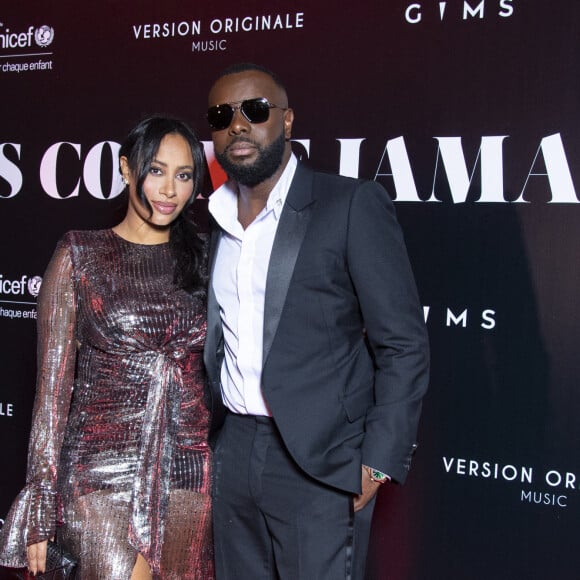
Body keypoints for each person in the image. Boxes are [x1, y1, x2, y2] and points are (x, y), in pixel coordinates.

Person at [203, 63, 430, 579]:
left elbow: (404, 344)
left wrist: (377, 461)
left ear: (286, 122)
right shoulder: (213, 220)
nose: (238, 125)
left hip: (320, 460)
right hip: (233, 448)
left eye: (255, 110)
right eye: (221, 116)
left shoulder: (349, 205)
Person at [0, 116, 214, 579]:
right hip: (98, 470)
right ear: (126, 169)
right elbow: (52, 393)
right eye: (156, 170)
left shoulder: (210, 257)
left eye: (184, 175)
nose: (168, 190)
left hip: (185, 468)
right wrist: (40, 497)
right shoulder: (80, 253)